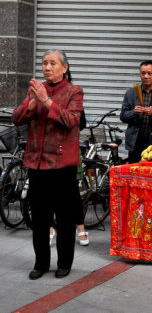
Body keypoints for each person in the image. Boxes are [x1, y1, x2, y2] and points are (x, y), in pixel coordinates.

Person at [12, 49, 84, 280]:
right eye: (44, 63)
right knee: (40, 219)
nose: (47, 67)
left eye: (52, 63)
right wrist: (32, 102)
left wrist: (45, 100)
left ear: (64, 68)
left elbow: (71, 120)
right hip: (37, 164)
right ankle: (40, 263)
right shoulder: (36, 90)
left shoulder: (75, 92)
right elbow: (17, 118)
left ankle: (64, 263)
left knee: (64, 218)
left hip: (63, 165)